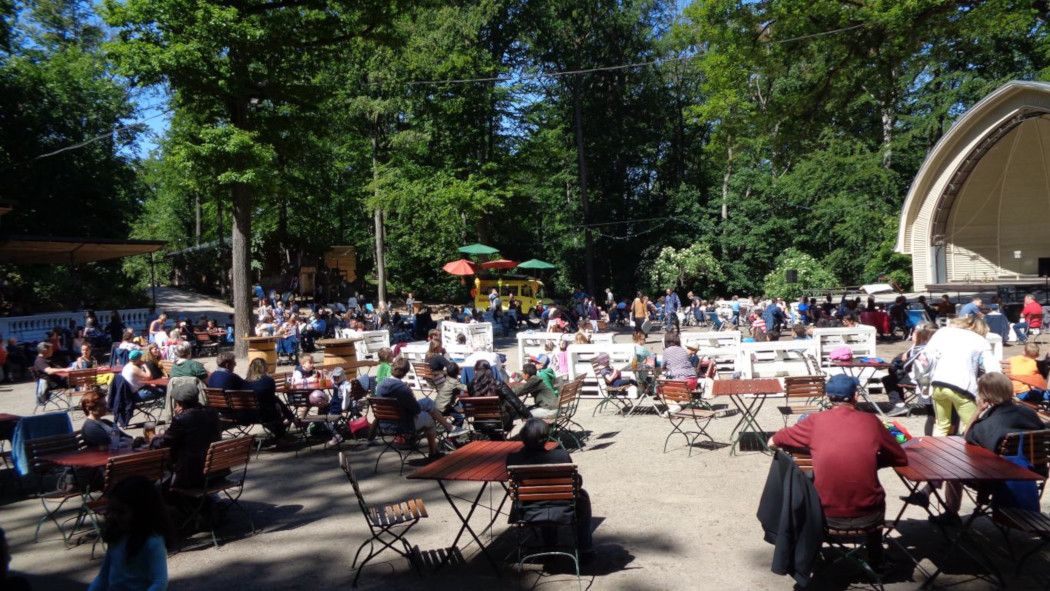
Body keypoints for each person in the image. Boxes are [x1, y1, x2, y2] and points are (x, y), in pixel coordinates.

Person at [769, 375, 908, 568]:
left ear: (827, 397)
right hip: (868, 516)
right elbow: (900, 457)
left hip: (825, 516)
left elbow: (775, 440)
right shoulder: (871, 421)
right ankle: (877, 562)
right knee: (875, 496)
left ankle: (812, 556)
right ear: (856, 396)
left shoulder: (815, 421)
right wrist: (870, 461)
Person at [506, 418, 594, 559]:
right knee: (582, 496)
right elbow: (577, 483)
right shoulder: (562, 456)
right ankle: (586, 548)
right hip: (562, 509)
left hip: (528, 511)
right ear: (546, 438)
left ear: (523, 437)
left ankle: (550, 542)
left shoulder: (513, 460)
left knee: (541, 496)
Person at [88, 475, 172, 591]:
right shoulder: (117, 537)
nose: (115, 516)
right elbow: (103, 576)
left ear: (141, 512)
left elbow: (160, 582)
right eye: (113, 510)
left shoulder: (152, 542)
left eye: (121, 512)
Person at [923, 315, 997, 436]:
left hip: (938, 383)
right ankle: (967, 453)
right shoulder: (980, 340)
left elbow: (926, 356)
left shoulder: (943, 332)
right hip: (963, 386)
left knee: (941, 425)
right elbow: (992, 368)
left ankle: (937, 452)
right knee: (970, 426)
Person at [376, 358, 464, 458]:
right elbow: (416, 410)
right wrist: (410, 393)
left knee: (428, 402)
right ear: (405, 373)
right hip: (402, 425)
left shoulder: (381, 385)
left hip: (384, 424)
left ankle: (449, 427)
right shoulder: (402, 388)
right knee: (429, 417)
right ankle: (434, 451)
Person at [150, 384, 221, 490]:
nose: (175, 407)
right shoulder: (212, 412)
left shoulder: (181, 419)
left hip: (191, 474)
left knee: (158, 458)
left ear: (181, 404)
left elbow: (164, 443)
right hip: (216, 469)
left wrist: (154, 439)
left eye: (177, 403)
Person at [880, 323, 935, 417]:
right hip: (933, 380)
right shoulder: (934, 347)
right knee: (893, 374)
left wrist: (898, 360)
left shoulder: (918, 349)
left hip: (922, 382)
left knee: (889, 378)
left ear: (920, 335)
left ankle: (899, 405)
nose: (912, 334)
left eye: (914, 332)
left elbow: (899, 364)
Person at [245, 358, 296, 440]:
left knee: (275, 401)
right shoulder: (268, 380)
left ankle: (287, 423)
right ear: (264, 367)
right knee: (276, 402)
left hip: (248, 414)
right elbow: (271, 398)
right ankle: (288, 424)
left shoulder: (245, 382)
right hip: (265, 414)